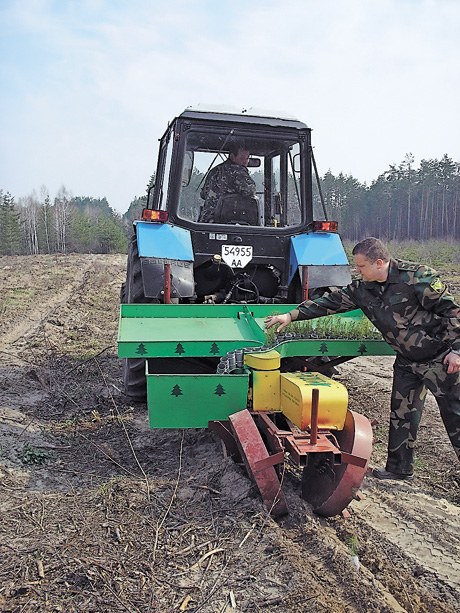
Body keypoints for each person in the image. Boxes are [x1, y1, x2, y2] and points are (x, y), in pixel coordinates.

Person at [265, 237, 460, 480]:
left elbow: (452, 312)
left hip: (439, 359)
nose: (356, 271)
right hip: (407, 361)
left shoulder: (418, 277)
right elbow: (331, 302)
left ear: (379, 263)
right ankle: (399, 470)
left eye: (360, 266)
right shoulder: (362, 289)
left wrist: (456, 350)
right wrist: (291, 315)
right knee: (402, 414)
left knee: (454, 414)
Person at [198, 142, 257, 223]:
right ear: (232, 157)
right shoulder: (238, 170)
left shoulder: (214, 170)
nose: (245, 162)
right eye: (242, 158)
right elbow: (249, 191)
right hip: (227, 222)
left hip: (207, 221)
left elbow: (203, 194)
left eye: (247, 158)